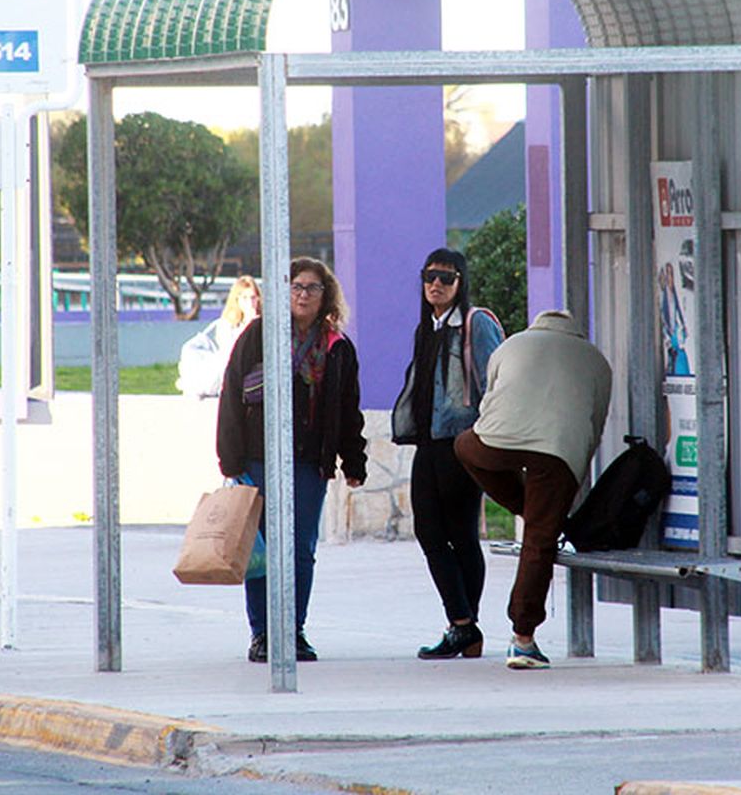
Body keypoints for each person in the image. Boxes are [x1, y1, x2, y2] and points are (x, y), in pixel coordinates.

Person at [216, 257, 367, 664]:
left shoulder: (337, 347)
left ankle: (294, 630)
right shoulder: (258, 335)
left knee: (301, 550)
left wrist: (354, 462)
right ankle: (263, 633)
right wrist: (229, 460)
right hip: (257, 458)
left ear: (325, 295)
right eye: (296, 287)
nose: (303, 295)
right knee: (260, 549)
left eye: (312, 288)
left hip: (309, 462)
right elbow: (231, 396)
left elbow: (348, 410)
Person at [453, 310, 612, 670]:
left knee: (465, 446)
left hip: (495, 440)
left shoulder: (512, 345)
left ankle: (532, 510)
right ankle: (523, 640)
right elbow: (594, 426)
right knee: (538, 541)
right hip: (559, 451)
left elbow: (488, 398)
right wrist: (569, 479)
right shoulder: (596, 360)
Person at [391, 249, 504, 660]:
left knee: (461, 534)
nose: (435, 285)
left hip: (463, 442)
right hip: (428, 442)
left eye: (445, 278)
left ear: (460, 282)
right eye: (428, 277)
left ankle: (462, 626)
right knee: (429, 531)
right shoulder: (428, 328)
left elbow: (497, 382)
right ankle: (464, 625)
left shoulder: (475, 324)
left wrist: (485, 438)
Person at [176, 276, 262, 397]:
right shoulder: (227, 324)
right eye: (244, 298)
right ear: (237, 300)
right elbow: (230, 353)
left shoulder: (263, 322)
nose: (250, 303)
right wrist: (248, 325)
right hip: (230, 375)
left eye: (253, 298)